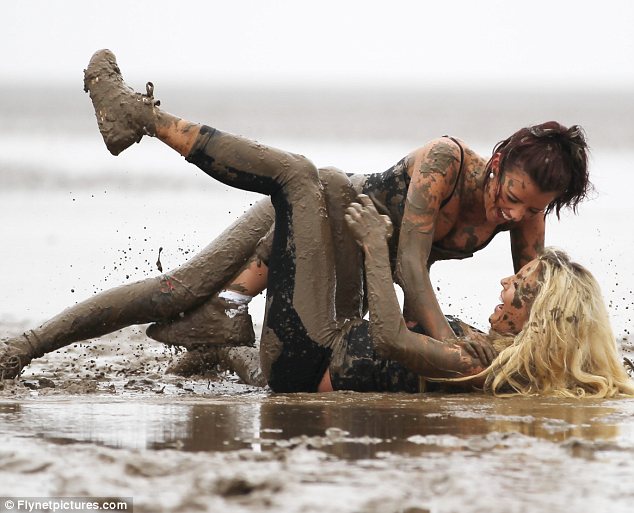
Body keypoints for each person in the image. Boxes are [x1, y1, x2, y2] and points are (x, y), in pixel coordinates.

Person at [0, 49, 591, 379]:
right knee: (179, 289)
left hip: (355, 267)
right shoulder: (446, 163)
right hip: (331, 212)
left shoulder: (526, 219)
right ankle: (24, 346)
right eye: (512, 193)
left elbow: (537, 305)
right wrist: (447, 354)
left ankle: (221, 333)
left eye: (532, 207)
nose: (514, 212)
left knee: (308, 356)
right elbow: (410, 265)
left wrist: (569, 362)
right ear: (499, 160)